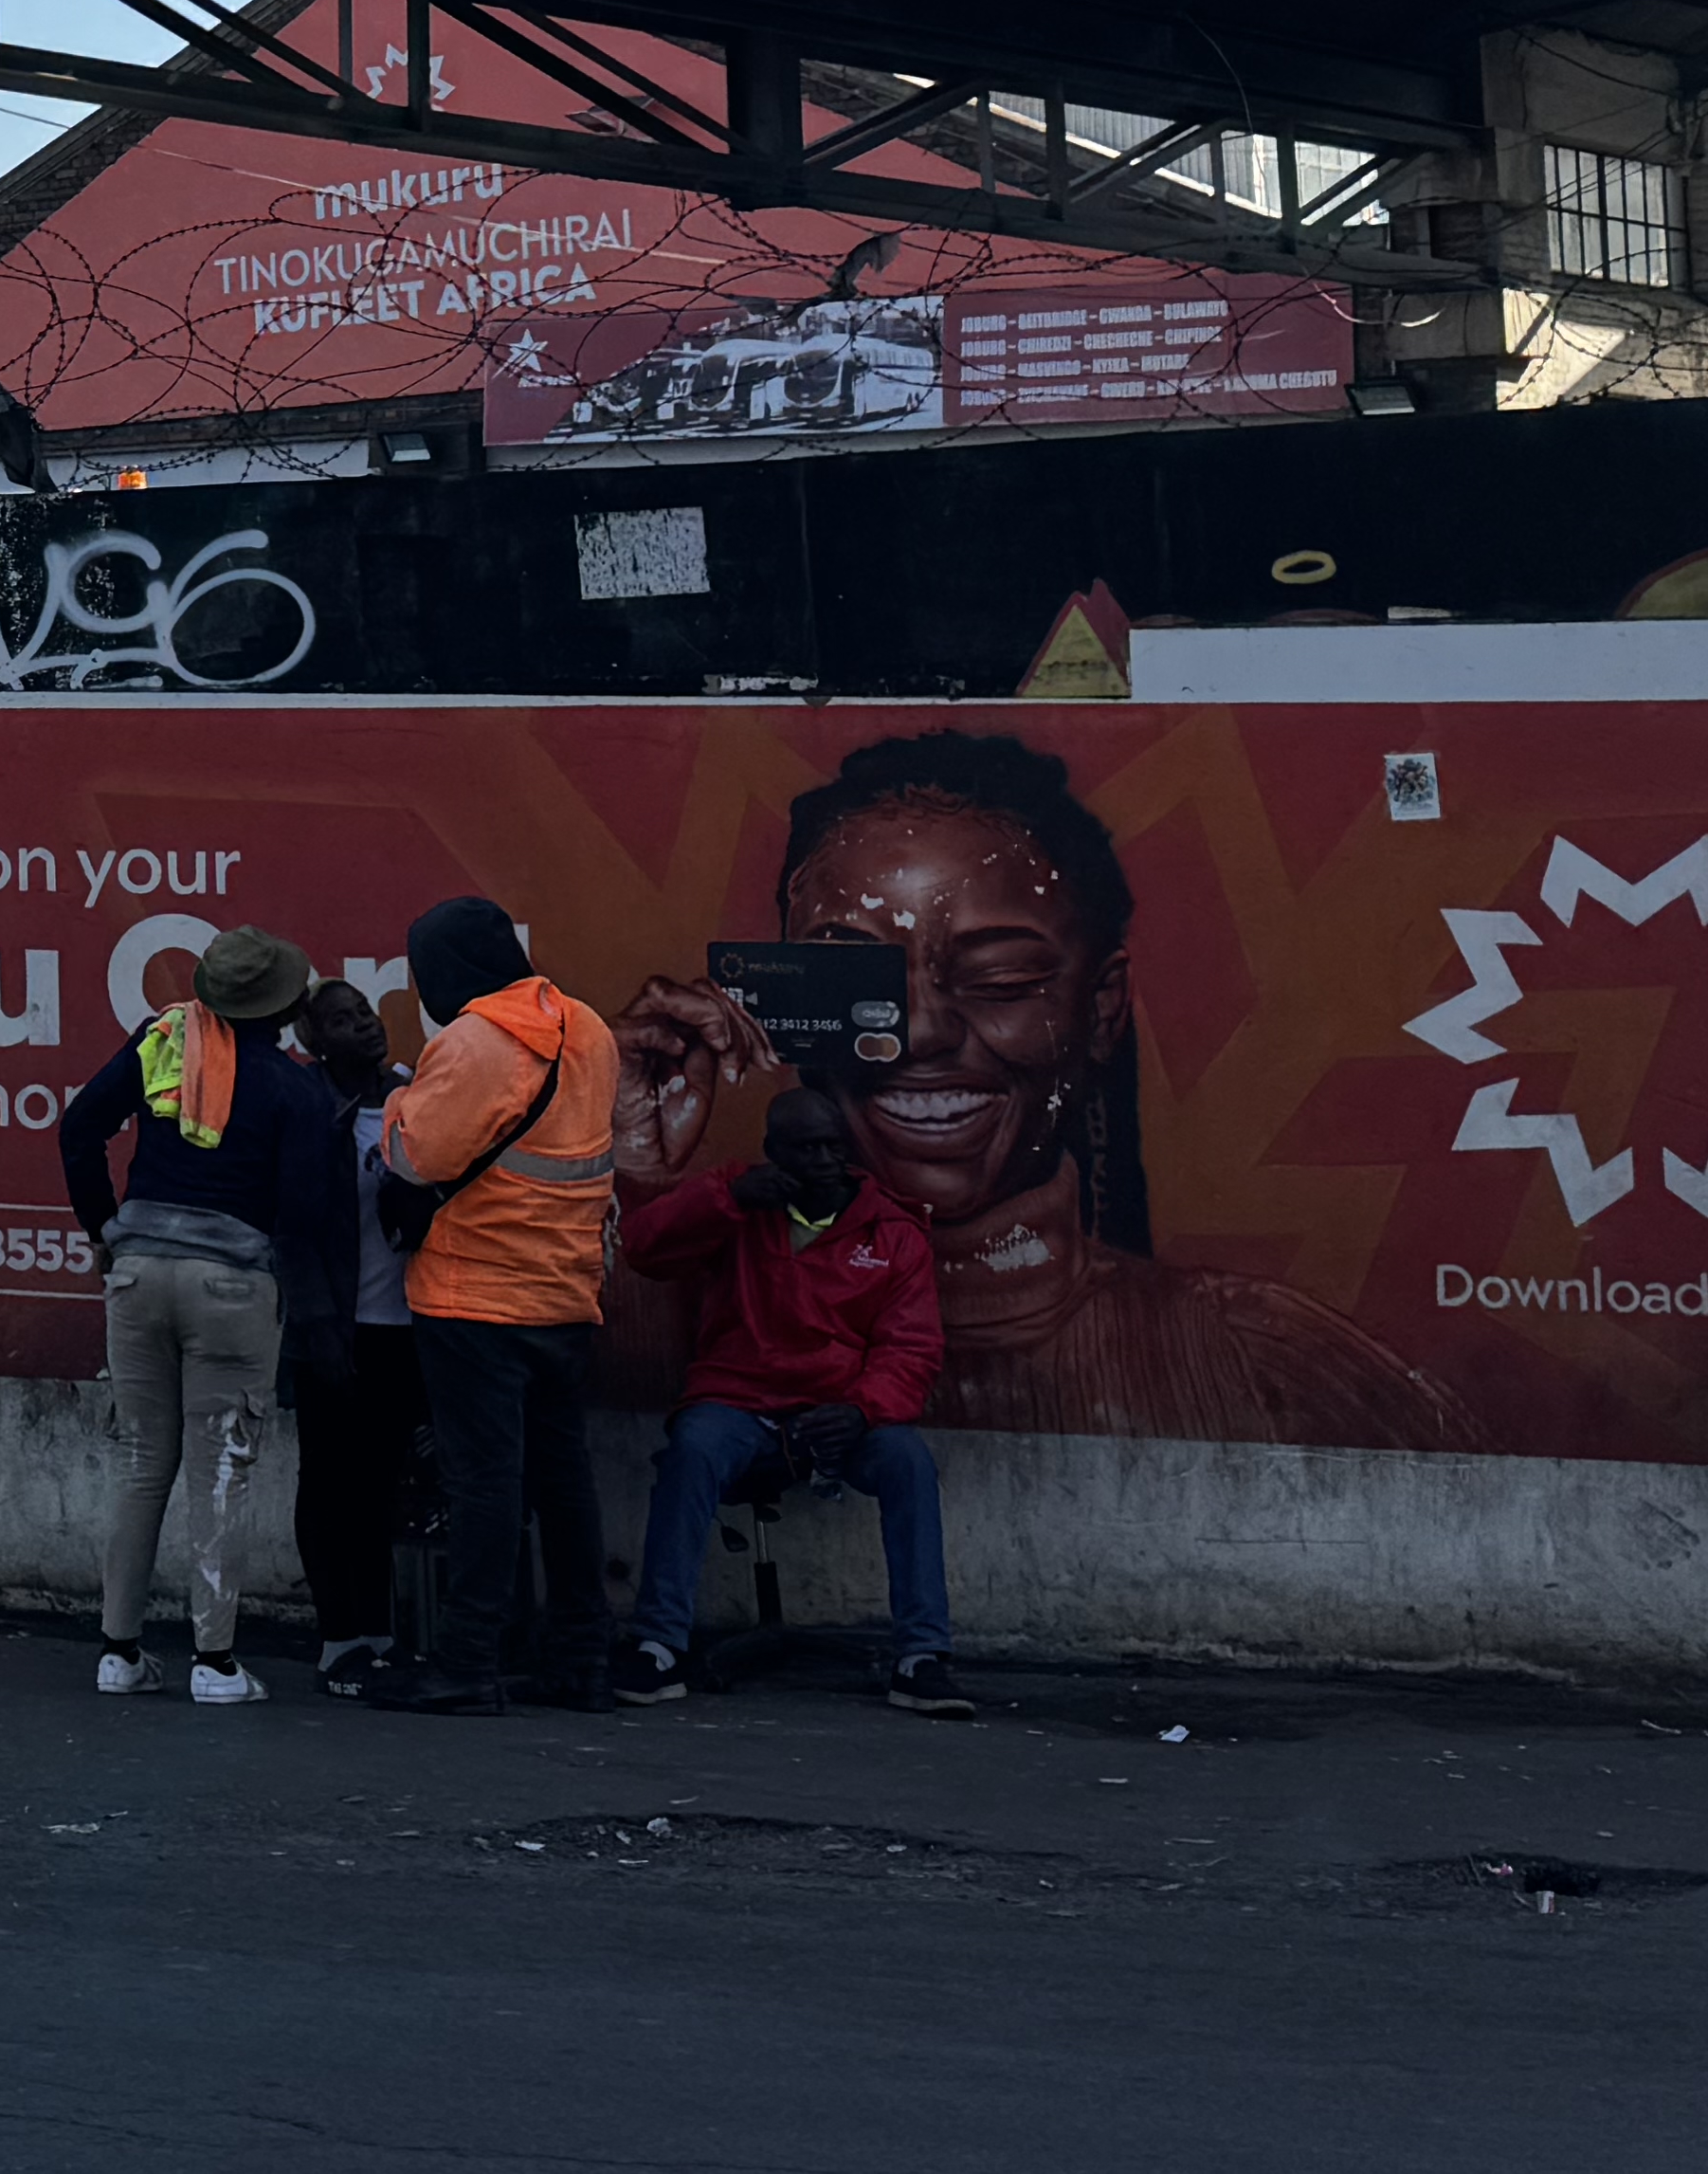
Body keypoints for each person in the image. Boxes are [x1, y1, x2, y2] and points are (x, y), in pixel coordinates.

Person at [614, 729, 1471, 1450]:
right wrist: (624, 1171)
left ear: (1100, 1009)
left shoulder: (1259, 1361)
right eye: (852, 981)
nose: (919, 1033)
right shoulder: (685, 1316)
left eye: (1001, 978)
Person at [52, 925, 353, 1704]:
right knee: (222, 1466)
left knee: (140, 1461)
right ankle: (215, 1663)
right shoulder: (296, 1088)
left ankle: (118, 1654)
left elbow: (80, 1129)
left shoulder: (162, 1042)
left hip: (138, 1272)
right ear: (288, 1007)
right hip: (232, 1285)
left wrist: (102, 1231)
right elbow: (305, 1212)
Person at [618, 1085, 970, 1716]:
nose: (824, 1160)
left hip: (842, 1414)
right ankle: (658, 1646)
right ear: (773, 1153)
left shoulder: (893, 1232)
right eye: (806, 1149)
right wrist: (725, 1199)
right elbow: (642, 1246)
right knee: (691, 1450)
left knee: (908, 1463)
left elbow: (911, 1349)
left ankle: (922, 1658)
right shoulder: (739, 1202)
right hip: (737, 1400)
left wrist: (862, 1409)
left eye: (835, 1146)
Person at [374, 896, 627, 1714]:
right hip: (563, 1290)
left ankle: (469, 1661)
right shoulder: (585, 1027)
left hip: (472, 1293)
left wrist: (396, 1103)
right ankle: (582, 1658)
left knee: (484, 1484)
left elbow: (416, 1158)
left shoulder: (475, 1041)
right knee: (564, 1481)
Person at [283, 977, 427, 1698]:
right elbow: (299, 1233)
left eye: (364, 1013)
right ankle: (337, 1637)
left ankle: (379, 1633)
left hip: (409, 1324)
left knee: (379, 1484)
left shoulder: (413, 1093)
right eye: (341, 1022)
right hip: (338, 1328)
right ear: (314, 1044)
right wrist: (315, 1327)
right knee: (329, 1482)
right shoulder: (311, 1112)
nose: (364, 1028)